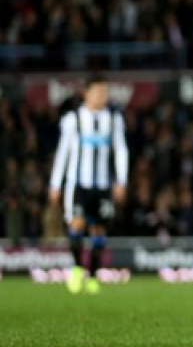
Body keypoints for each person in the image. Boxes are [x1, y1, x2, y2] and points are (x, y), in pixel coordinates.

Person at [48, 74, 129, 295]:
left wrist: (121, 180)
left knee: (99, 230)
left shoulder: (114, 119)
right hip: (78, 184)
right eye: (99, 92)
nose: (103, 96)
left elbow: (121, 150)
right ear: (87, 93)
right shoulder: (73, 119)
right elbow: (63, 152)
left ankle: (93, 276)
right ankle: (76, 268)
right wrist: (55, 184)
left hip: (103, 185)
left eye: (105, 92)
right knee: (76, 225)